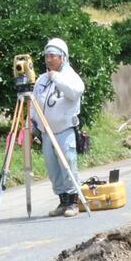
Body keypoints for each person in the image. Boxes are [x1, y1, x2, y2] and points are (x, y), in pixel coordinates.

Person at [32, 36, 85, 217]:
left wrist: (57, 78)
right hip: (47, 132)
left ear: (62, 57)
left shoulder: (70, 77)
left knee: (68, 164)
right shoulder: (42, 79)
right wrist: (33, 124)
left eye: (52, 56)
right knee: (53, 168)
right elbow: (34, 103)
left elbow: (75, 92)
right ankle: (62, 200)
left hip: (64, 130)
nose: (48, 60)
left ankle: (73, 201)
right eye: (46, 56)